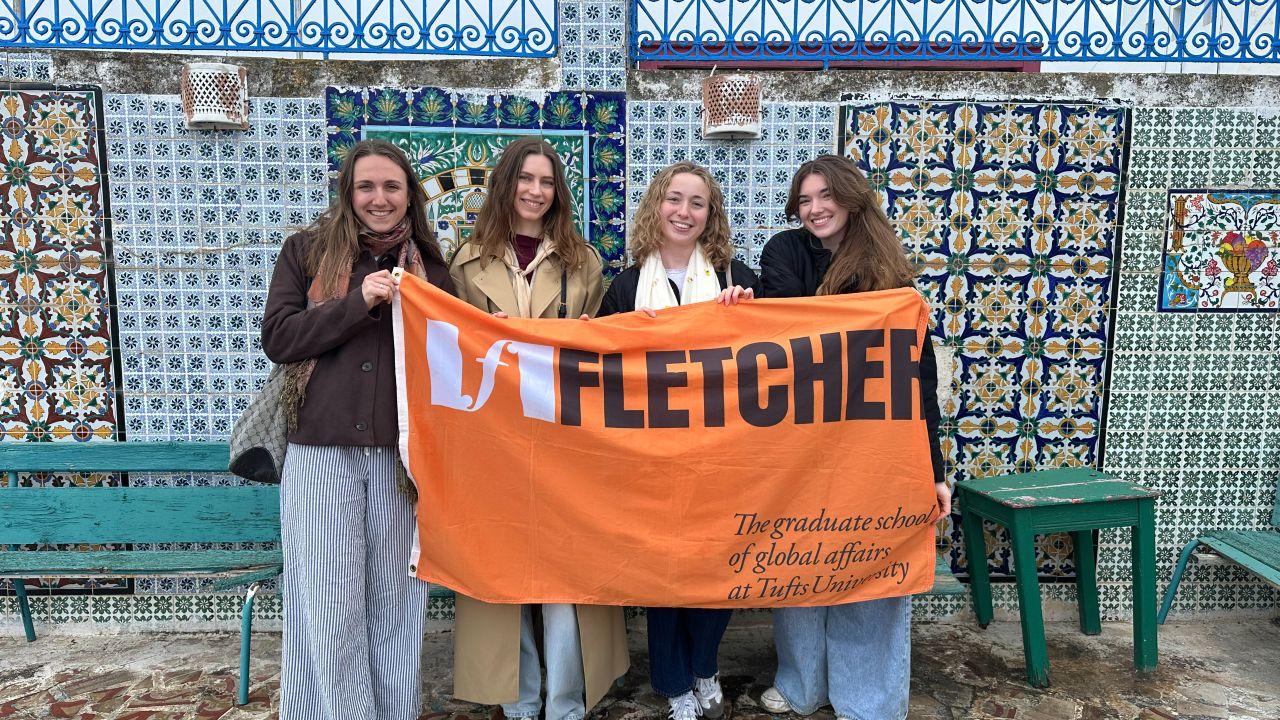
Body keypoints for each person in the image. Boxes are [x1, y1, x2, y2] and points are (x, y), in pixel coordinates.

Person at [261, 138, 455, 720]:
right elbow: (280, 337)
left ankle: (395, 710)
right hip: (321, 451)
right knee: (327, 597)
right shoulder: (305, 252)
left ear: (409, 196)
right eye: (366, 186)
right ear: (348, 192)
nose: (379, 198)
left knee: (396, 597)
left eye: (392, 187)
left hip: (400, 457)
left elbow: (449, 355)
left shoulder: (429, 264)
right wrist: (357, 302)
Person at [756, 154, 950, 720]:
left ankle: (867, 696)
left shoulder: (889, 271)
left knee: (871, 559)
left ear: (850, 198)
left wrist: (933, 471)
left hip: (873, 449)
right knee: (798, 557)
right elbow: (790, 335)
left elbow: (919, 379)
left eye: (825, 196)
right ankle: (800, 685)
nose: (814, 209)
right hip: (799, 445)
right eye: (804, 199)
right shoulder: (784, 253)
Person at [447, 136, 629, 720]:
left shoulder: (585, 262)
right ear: (505, 184)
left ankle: (568, 700)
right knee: (502, 572)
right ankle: (520, 697)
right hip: (492, 440)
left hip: (564, 439)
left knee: (564, 574)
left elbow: (608, 350)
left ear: (558, 192)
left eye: (547, 181)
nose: (535, 191)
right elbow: (446, 351)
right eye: (526, 178)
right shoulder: (465, 261)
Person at [598, 161, 758, 720]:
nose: (684, 212)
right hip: (651, 456)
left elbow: (774, 354)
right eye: (675, 199)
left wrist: (747, 314)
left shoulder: (736, 277)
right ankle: (672, 682)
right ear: (655, 207)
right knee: (664, 569)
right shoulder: (623, 285)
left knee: (718, 565)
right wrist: (625, 334)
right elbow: (596, 368)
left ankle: (705, 665)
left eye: (697, 203)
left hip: (722, 452)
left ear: (710, 215)